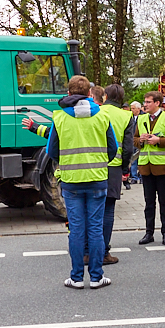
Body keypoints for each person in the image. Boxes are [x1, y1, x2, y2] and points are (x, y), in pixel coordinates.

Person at [39, 75, 117, 289]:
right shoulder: (102, 115)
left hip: (72, 181)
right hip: (97, 179)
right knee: (95, 229)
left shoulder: (60, 117)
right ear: (90, 93)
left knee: (76, 230)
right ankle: (96, 276)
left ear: (69, 92)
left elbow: (52, 150)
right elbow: (113, 148)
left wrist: (68, 162)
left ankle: (75, 278)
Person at [94, 84, 134, 265]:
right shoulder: (127, 116)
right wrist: (125, 168)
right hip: (114, 168)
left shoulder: (98, 111)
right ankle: (104, 253)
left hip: (95, 165)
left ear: (106, 95)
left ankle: (89, 251)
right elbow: (128, 147)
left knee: (92, 211)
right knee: (108, 211)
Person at [134, 91, 165, 245]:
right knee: (149, 202)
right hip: (146, 166)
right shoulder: (141, 118)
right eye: (144, 102)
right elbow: (134, 139)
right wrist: (141, 140)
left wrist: (159, 140)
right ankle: (149, 233)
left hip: (163, 167)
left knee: (164, 201)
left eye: (148, 102)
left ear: (157, 103)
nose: (145, 105)